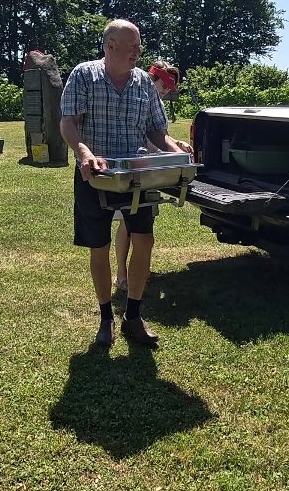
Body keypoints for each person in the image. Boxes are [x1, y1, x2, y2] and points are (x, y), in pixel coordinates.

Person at [60, 19, 193, 348]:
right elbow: (69, 122)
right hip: (96, 175)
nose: (138, 51)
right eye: (131, 45)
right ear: (110, 46)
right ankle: (106, 318)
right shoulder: (84, 75)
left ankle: (133, 316)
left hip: (138, 174)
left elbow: (156, 131)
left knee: (144, 240)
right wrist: (84, 152)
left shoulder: (145, 84)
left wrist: (177, 154)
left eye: (139, 45)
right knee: (99, 247)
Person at [113, 59, 187, 292]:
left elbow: (159, 134)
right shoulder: (135, 96)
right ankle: (121, 274)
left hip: (150, 170)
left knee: (143, 223)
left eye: (168, 89)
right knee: (127, 221)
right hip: (130, 167)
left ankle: (138, 269)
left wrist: (177, 144)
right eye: (163, 86)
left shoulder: (156, 103)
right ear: (151, 78)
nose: (165, 92)